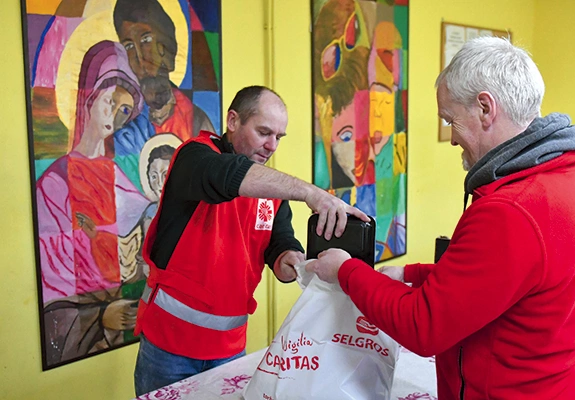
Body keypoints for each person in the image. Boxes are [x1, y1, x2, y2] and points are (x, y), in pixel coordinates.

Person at [308, 37, 575, 399]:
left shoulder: (510, 212)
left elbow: (423, 327)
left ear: (484, 108)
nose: (451, 140)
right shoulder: (570, 186)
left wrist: (346, 271)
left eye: (450, 120)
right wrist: (411, 274)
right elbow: (497, 283)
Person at [133, 85, 369, 395]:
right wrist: (312, 193)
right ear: (233, 121)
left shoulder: (271, 191)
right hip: (169, 347)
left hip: (229, 349)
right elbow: (227, 175)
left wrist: (291, 260)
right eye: (263, 132)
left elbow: (279, 240)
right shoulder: (195, 158)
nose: (272, 145)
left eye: (279, 137)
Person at [37, 40, 150, 366]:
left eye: (124, 110)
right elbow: (53, 285)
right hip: (89, 325)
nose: (114, 114)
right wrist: (99, 316)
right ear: (89, 95)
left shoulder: (118, 177)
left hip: (126, 318)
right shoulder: (56, 185)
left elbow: (145, 240)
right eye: (110, 100)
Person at [111, 0, 216, 157]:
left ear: (166, 47)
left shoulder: (196, 120)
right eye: (129, 47)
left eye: (146, 40)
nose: (140, 58)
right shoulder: (124, 122)